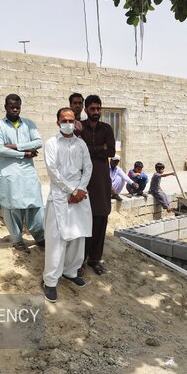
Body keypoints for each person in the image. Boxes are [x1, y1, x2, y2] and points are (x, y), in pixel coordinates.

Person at [42, 108, 93, 303]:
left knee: (77, 236)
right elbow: (53, 171)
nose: (68, 123)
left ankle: (70, 271)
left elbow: (88, 167)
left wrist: (80, 189)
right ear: (57, 122)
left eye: (71, 120)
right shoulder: (51, 144)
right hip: (60, 196)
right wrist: (72, 191)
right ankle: (50, 281)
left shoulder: (81, 144)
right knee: (57, 240)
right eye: (64, 120)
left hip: (80, 195)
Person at [0, 94, 45, 253]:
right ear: (5, 107)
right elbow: (0, 149)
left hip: (27, 173)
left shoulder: (29, 124)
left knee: (34, 204)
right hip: (9, 173)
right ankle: (17, 240)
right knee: (11, 207)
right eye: (11, 106)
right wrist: (24, 153)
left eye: (17, 106)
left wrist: (15, 146)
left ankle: (40, 237)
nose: (15, 109)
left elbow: (38, 142)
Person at [77, 94, 116, 275]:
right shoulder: (80, 128)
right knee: (84, 220)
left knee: (100, 219)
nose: (96, 112)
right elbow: (78, 150)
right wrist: (100, 149)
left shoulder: (107, 128)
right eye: (92, 108)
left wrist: (90, 149)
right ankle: (80, 260)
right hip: (83, 179)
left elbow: (111, 151)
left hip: (101, 180)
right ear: (86, 110)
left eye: (98, 108)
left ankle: (95, 259)